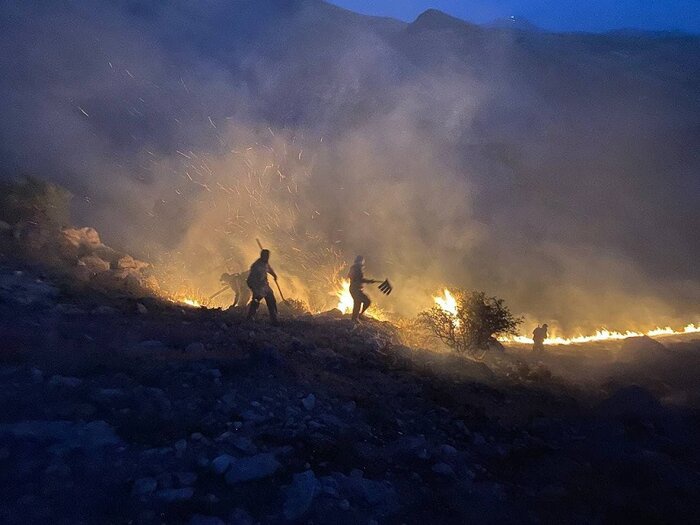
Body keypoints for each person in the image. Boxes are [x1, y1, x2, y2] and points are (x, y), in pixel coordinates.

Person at [246, 249, 279, 325]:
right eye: (266, 256)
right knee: (256, 301)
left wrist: (274, 275)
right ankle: (250, 318)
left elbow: (268, 269)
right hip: (258, 285)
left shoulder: (265, 263)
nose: (267, 257)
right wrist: (255, 288)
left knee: (271, 300)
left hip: (264, 286)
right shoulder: (257, 265)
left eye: (268, 256)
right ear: (262, 256)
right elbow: (251, 279)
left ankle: (274, 318)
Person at [348, 255, 379, 323]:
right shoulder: (357, 268)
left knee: (357, 303)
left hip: (355, 289)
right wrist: (369, 281)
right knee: (366, 301)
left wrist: (368, 281)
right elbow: (359, 279)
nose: (363, 262)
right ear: (361, 261)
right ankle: (358, 316)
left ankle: (356, 318)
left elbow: (351, 276)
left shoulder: (354, 267)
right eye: (362, 261)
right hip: (355, 289)